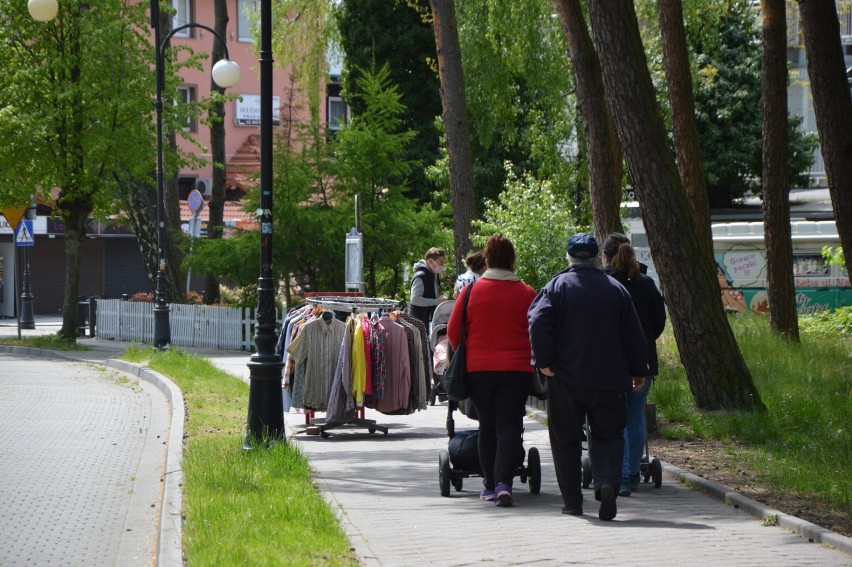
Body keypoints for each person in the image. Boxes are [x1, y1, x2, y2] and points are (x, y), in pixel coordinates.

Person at [528, 232, 648, 521]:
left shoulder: (555, 287)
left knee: (565, 439)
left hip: (565, 379)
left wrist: (543, 361)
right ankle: (607, 482)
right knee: (608, 435)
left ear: (569, 257)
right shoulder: (615, 289)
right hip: (609, 378)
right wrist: (637, 370)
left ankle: (572, 502)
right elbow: (634, 332)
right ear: (596, 257)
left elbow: (537, 321)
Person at [447, 234, 537, 507]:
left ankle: (488, 484)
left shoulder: (471, 292)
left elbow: (453, 332)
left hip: (479, 370)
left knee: (487, 425)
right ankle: (503, 484)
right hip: (517, 371)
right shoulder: (527, 293)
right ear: (512, 261)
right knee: (510, 425)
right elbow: (538, 332)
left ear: (486, 260)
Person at [601, 233, 666, 497]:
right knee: (635, 415)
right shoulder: (647, 283)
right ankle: (632, 474)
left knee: (616, 416)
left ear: (605, 256)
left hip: (612, 361)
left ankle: (623, 472)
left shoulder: (605, 285)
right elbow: (658, 322)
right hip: (643, 360)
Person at [408, 247, 447, 330]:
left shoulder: (433, 274)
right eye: (440, 263)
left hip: (429, 320)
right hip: (419, 322)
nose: (442, 266)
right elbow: (415, 299)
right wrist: (436, 301)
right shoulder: (421, 276)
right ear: (430, 261)